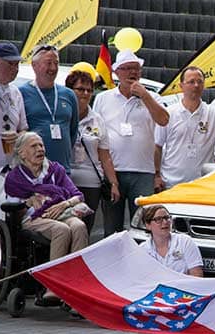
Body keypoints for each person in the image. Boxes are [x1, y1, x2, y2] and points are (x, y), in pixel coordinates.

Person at [4, 131, 89, 305]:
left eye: (41, 145)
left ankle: (78, 287)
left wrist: (63, 204)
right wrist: (29, 201)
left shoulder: (55, 169)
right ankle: (54, 287)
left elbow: (77, 195)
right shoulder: (15, 177)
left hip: (62, 212)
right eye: (34, 146)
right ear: (22, 153)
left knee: (79, 226)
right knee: (62, 230)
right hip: (34, 218)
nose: (39, 149)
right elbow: (12, 207)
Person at [93, 49, 170, 235]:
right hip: (113, 172)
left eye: (136, 69)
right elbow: (96, 132)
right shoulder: (103, 98)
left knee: (144, 226)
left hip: (143, 171)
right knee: (112, 228)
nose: (132, 73)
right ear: (116, 73)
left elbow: (164, 120)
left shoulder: (152, 97)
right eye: (126, 68)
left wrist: (145, 96)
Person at [66, 69, 119, 234]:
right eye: (81, 89)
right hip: (66, 180)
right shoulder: (62, 115)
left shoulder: (97, 120)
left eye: (89, 90)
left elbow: (105, 155)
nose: (86, 93)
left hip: (91, 183)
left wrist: (114, 183)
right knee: (66, 228)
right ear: (69, 90)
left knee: (84, 230)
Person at [19, 45, 79, 170]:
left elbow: (73, 131)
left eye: (56, 63)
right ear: (34, 65)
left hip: (62, 169)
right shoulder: (22, 93)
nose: (53, 68)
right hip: (33, 169)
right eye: (48, 63)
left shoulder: (68, 94)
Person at [0, 41, 28, 175]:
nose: (14, 69)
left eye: (17, 64)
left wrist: (18, 136)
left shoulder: (16, 93)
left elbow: (23, 128)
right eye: (10, 64)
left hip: (12, 167)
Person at [140, 204, 203, 277]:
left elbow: (197, 275)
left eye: (167, 218)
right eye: (158, 219)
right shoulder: (142, 250)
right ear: (148, 225)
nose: (165, 222)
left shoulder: (185, 241)